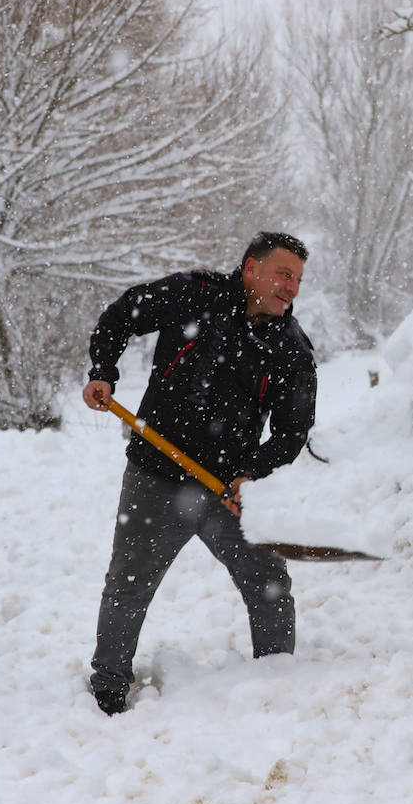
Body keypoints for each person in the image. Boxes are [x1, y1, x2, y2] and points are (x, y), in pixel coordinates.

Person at [81, 231, 318, 716]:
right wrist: (103, 371)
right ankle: (108, 688)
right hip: (155, 475)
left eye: (297, 279)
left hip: (225, 490)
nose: (291, 287)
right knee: (129, 583)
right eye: (283, 274)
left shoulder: (291, 349)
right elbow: (121, 314)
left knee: (269, 585)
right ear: (251, 268)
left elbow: (293, 433)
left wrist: (252, 472)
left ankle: (277, 683)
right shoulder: (195, 295)